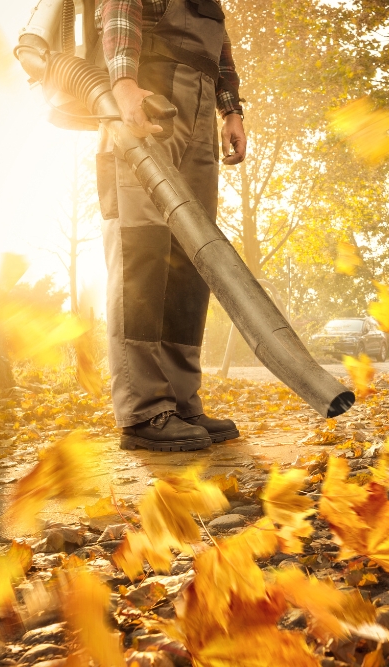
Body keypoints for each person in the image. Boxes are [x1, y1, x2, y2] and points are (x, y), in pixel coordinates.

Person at [96, 0, 246, 451]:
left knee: (191, 259)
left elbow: (221, 49)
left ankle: (181, 401)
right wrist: (123, 85)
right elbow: (120, 8)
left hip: (199, 104)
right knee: (142, 250)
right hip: (148, 97)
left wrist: (231, 110)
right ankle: (144, 410)